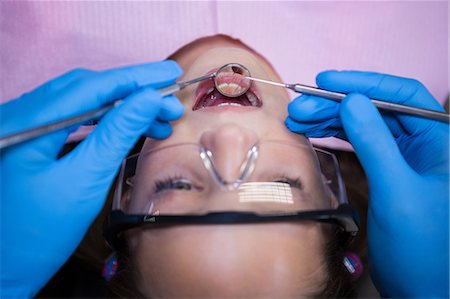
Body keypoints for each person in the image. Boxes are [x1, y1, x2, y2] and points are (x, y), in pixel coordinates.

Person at [1, 35, 448, 298]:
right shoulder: (428, 50)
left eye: (178, 184)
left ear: (129, 185)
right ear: (329, 188)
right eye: (279, 185)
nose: (229, 137)